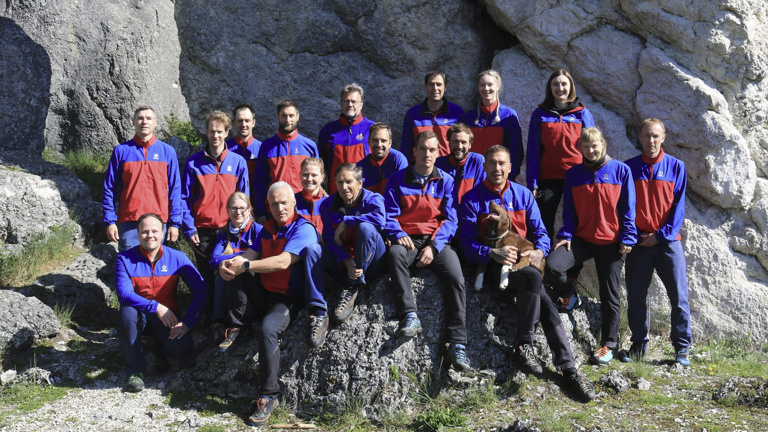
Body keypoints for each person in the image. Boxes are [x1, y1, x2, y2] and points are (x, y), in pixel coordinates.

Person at [459, 145, 596, 402]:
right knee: (540, 290)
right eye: (492, 163)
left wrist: (540, 252)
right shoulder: (471, 199)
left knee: (541, 292)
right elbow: (465, 244)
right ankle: (561, 365)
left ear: (511, 167)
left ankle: (561, 365)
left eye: (502, 163)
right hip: (492, 269)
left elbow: (542, 234)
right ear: (484, 166)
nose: (497, 168)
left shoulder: (523, 195)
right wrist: (490, 254)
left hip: (524, 268)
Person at [219, 182, 328, 427]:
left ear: (293, 203)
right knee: (231, 272)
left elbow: (281, 262)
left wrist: (245, 266)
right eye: (274, 203)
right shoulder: (268, 228)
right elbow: (251, 255)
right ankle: (240, 324)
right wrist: (229, 263)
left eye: (284, 203)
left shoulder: (304, 229)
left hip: (287, 297)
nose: (279, 208)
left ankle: (269, 395)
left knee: (269, 329)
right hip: (266, 291)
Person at [545, 127, 637, 366]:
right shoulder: (574, 173)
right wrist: (566, 234)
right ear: (580, 149)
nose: (591, 150)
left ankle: (609, 345)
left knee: (610, 294)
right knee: (553, 266)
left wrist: (628, 236)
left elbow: (628, 208)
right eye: (586, 147)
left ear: (603, 144)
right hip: (582, 240)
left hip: (611, 243)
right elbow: (569, 210)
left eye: (594, 145)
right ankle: (569, 294)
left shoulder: (621, 170)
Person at [383, 130, 470, 371]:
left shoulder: (446, 181)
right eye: (423, 149)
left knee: (456, 277)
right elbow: (388, 215)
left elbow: (451, 220)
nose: (427, 154)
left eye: (432, 150)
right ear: (414, 151)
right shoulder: (397, 179)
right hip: (408, 239)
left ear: (438, 152)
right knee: (394, 254)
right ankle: (410, 315)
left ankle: (457, 344)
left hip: (436, 242)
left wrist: (434, 246)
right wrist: (398, 233)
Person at [620, 118, 692, 366]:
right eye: (647, 136)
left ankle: (681, 348)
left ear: (664, 138)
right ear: (639, 137)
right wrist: (635, 235)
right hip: (639, 243)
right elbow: (624, 207)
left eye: (655, 136)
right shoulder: (628, 168)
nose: (651, 141)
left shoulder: (677, 167)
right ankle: (639, 345)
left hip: (668, 243)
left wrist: (660, 236)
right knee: (636, 296)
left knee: (679, 297)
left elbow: (678, 209)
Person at [115, 213, 207, 393]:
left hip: (167, 319)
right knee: (127, 313)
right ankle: (135, 370)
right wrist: (155, 306)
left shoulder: (177, 257)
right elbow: (124, 294)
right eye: (144, 232)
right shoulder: (124, 259)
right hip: (138, 316)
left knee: (182, 349)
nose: (150, 235)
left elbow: (201, 290)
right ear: (138, 233)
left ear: (163, 233)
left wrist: (188, 323)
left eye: (155, 231)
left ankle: (159, 350)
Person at [181, 110, 249, 300]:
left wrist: (242, 228)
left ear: (227, 132)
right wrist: (189, 228)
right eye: (212, 131)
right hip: (201, 231)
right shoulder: (194, 162)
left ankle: (223, 319)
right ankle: (206, 316)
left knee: (229, 276)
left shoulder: (238, 162)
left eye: (219, 131)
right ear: (206, 131)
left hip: (228, 231)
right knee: (205, 279)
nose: (215, 136)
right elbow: (184, 198)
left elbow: (245, 199)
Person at [526, 70, 595, 238]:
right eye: (555, 84)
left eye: (564, 84)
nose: (560, 88)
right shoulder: (540, 114)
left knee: (577, 220)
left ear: (571, 87)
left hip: (576, 176)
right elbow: (533, 150)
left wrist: (592, 176)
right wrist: (532, 184)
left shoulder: (582, 113)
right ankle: (543, 259)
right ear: (550, 88)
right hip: (547, 178)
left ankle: (572, 262)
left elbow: (593, 147)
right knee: (543, 222)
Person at [103, 106, 183, 251]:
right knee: (130, 267)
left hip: (158, 222)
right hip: (129, 221)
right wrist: (110, 221)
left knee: (155, 269)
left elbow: (175, 189)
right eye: (140, 118)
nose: (144, 122)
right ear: (133, 122)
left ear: (155, 122)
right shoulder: (121, 151)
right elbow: (109, 188)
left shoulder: (167, 152)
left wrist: (175, 223)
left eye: (148, 118)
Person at [320, 163, 388, 323]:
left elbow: (380, 220)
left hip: (373, 261)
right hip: (346, 263)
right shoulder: (327, 205)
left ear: (360, 183)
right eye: (339, 182)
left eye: (349, 182)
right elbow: (330, 240)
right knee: (314, 250)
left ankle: (352, 286)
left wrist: (348, 221)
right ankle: (317, 308)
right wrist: (346, 260)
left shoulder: (373, 198)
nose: (344, 187)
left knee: (366, 228)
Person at [209, 192, 263, 352]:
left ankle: (239, 323)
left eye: (242, 208)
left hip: (255, 280)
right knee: (223, 270)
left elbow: (262, 257)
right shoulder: (224, 233)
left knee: (232, 268)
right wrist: (240, 255)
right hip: (232, 281)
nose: (237, 212)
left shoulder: (258, 230)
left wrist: (234, 257)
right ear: (227, 209)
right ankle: (218, 323)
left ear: (249, 209)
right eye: (233, 208)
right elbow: (213, 261)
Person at [253, 100, 319, 221]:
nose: (288, 120)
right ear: (277, 117)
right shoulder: (267, 146)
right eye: (284, 116)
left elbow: (319, 182)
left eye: (291, 115)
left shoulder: (309, 146)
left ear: (298, 117)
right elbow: (259, 182)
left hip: (303, 209)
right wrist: (261, 212)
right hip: (275, 209)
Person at [462, 70, 523, 180]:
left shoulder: (508, 115)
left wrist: (509, 176)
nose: (486, 89)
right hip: (473, 177)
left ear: (498, 86)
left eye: (490, 84)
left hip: (498, 177)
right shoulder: (470, 117)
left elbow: (516, 150)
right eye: (482, 85)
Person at [318, 84, 375, 194]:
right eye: (346, 101)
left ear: (361, 104)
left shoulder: (372, 129)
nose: (350, 105)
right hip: (336, 193)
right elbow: (321, 167)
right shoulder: (327, 131)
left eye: (354, 102)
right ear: (341, 103)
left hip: (364, 194)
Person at [400, 70, 465, 159]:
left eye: (439, 84)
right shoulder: (412, 114)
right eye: (431, 84)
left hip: (448, 169)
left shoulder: (457, 113)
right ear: (425, 87)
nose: (435, 88)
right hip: (421, 169)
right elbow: (405, 148)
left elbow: (464, 145)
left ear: (445, 87)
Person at [435, 123, 486, 205]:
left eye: (463, 142)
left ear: (470, 144)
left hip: (469, 213)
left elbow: (480, 194)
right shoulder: (439, 164)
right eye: (455, 141)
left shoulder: (477, 161)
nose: (459, 146)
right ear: (449, 143)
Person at [357, 122, 408, 194]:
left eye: (383, 141)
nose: (379, 145)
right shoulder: (360, 167)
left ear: (390, 143)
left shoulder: (398, 160)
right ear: (368, 142)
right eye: (375, 140)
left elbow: (403, 193)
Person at [225, 104, 262, 203]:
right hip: (233, 207)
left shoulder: (262, 149)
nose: (243, 124)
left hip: (258, 207)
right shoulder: (225, 149)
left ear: (253, 123)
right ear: (234, 123)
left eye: (247, 121)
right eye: (240, 121)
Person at [294, 158, 329, 235]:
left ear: (322, 177)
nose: (309, 179)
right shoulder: (292, 202)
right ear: (300, 175)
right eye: (305, 175)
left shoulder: (331, 202)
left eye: (314, 175)